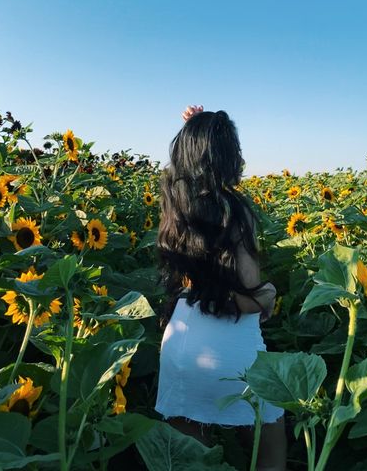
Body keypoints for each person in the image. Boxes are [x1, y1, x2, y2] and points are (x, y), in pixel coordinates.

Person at [155, 106, 287, 471]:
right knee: (269, 447)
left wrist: (193, 131)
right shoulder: (234, 209)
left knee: (192, 460)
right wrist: (267, 295)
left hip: (181, 342)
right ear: (230, 155)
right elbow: (245, 294)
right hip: (229, 350)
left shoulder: (175, 206)